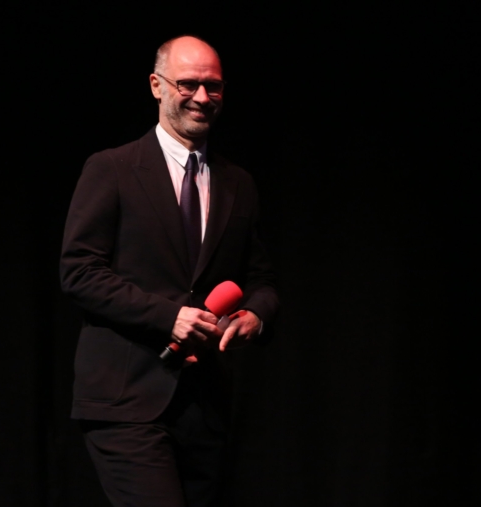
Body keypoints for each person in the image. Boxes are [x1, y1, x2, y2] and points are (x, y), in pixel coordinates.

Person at [60, 35, 279, 507]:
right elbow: (78, 271)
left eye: (213, 86)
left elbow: (261, 280)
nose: (202, 97)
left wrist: (255, 317)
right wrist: (168, 316)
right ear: (157, 86)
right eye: (189, 84)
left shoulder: (237, 182)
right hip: (127, 398)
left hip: (205, 406)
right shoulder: (112, 169)